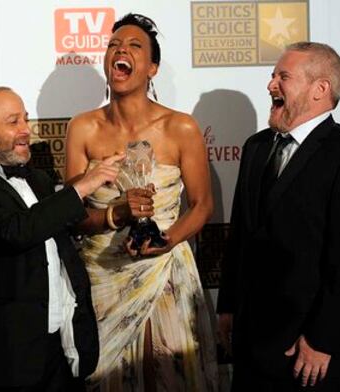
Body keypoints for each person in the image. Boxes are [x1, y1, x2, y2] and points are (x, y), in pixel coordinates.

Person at [217, 42, 340, 392]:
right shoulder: (256, 147)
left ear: (320, 89)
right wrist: (229, 306)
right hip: (254, 346)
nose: (270, 85)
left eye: (283, 77)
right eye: (272, 76)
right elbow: (242, 236)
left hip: (315, 356)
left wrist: (322, 340)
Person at [65, 13, 222, 391]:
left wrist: (166, 241)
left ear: (151, 68)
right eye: (114, 45)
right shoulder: (82, 127)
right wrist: (114, 215)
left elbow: (202, 206)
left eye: (134, 46)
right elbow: (71, 216)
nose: (120, 50)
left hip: (165, 276)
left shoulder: (181, 127)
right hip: (103, 278)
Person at [0, 87, 123, 391]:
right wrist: (81, 187)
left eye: (25, 119)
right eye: (13, 122)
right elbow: (14, 232)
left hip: (62, 349)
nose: (26, 131)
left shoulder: (38, 179)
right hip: (3, 359)